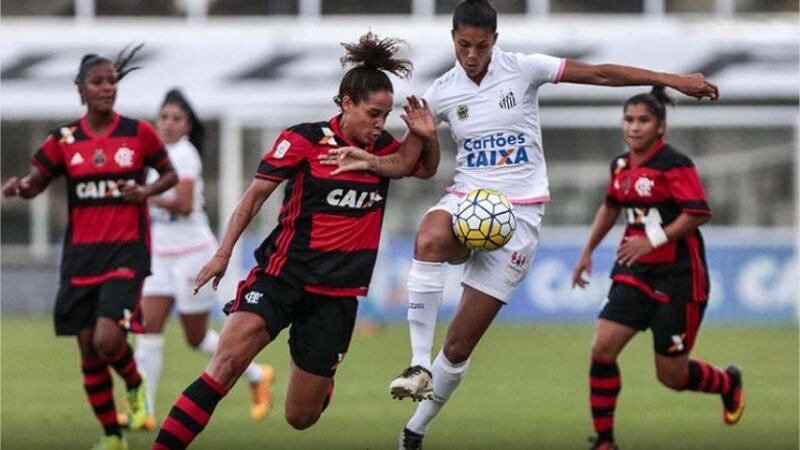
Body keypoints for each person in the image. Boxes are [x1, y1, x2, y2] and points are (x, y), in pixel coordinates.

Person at [320, 1, 719, 448]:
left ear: (495, 40)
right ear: (453, 39)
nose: (472, 54)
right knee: (428, 237)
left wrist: (673, 80)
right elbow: (409, 164)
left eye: (481, 45)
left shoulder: (524, 69)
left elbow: (602, 74)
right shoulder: (441, 93)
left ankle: (414, 429)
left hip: (521, 215)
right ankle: (417, 364)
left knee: (458, 347)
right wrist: (376, 158)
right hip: (468, 201)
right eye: (464, 45)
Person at [151, 31, 439, 449]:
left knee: (300, 417)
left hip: (336, 294)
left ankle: (321, 379)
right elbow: (253, 198)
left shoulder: (385, 153)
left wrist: (428, 136)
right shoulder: (304, 140)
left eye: (386, 115)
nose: (380, 124)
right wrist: (222, 254)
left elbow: (425, 169)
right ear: (347, 103)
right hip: (281, 276)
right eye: (374, 114)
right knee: (225, 365)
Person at [2, 45, 178, 450]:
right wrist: (19, 187)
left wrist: (146, 191)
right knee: (87, 347)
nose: (107, 88)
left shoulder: (138, 133)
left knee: (107, 340)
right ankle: (112, 435)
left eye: (112, 81)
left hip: (126, 252)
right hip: (81, 257)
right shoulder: (65, 139)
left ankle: (134, 383)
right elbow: (36, 183)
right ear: (81, 89)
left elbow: (168, 174)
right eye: (98, 82)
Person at [571, 87, 744, 450]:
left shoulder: (674, 164)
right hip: (634, 272)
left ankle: (728, 383)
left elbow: (698, 212)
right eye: (629, 119)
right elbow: (610, 206)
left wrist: (654, 240)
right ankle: (605, 442)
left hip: (679, 279)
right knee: (602, 348)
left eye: (643, 120)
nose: (634, 127)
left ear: (660, 127)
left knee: (671, 377)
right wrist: (587, 251)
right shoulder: (621, 166)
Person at [119, 89, 275, 431]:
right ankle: (143, 410)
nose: (168, 123)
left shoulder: (185, 154)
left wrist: (144, 195)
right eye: (164, 117)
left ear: (188, 125)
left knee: (196, 336)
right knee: (148, 329)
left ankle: (257, 374)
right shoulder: (154, 155)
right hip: (160, 255)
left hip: (192, 254)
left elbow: (185, 204)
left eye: (176, 118)